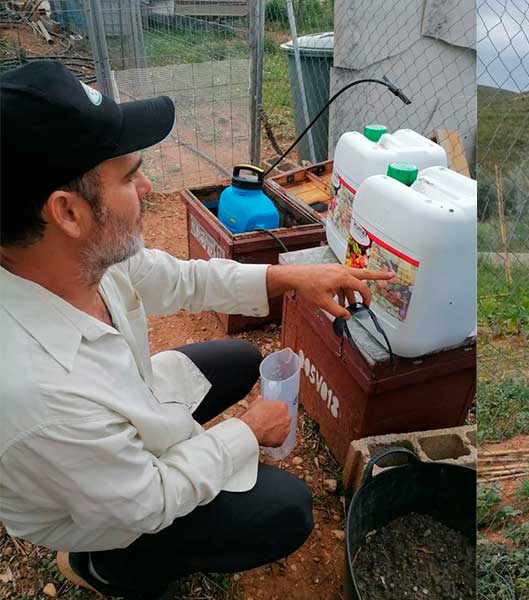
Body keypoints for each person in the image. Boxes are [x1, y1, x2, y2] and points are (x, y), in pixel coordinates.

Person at [0, 61, 393, 599]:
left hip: (125, 414)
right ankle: (111, 568)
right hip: (111, 508)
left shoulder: (75, 259)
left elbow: (184, 278)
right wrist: (247, 433)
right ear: (67, 212)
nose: (147, 185)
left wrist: (296, 277)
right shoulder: (36, 393)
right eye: (128, 175)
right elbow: (150, 497)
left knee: (237, 358)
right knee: (287, 510)